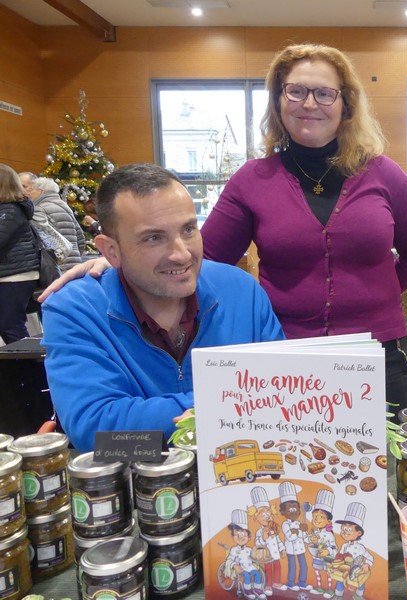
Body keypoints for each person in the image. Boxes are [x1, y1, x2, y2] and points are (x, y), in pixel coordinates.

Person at [43, 43, 407, 416]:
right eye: (296, 91)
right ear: (278, 101)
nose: (309, 104)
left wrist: (376, 292)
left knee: (386, 458)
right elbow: (199, 254)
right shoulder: (253, 180)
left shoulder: (384, 174)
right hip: (287, 355)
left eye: (324, 93)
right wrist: (118, 262)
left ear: (345, 104)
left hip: (378, 353)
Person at [40, 164, 285, 452]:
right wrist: (227, 408)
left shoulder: (241, 291)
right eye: (153, 238)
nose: (181, 254)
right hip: (137, 478)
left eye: (188, 229)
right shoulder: (74, 309)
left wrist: (182, 417)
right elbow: (98, 437)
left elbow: (284, 397)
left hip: (240, 467)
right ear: (111, 251)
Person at [0, 165, 39, 345]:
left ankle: (28, 361)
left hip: (15, 275)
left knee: (11, 326)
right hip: (11, 274)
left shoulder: (10, 210)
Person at [20, 175, 86, 271]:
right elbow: (81, 239)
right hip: (75, 266)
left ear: (41, 191)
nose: (29, 193)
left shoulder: (39, 209)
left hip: (58, 267)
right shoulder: (66, 207)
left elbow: (41, 240)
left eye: (32, 190)